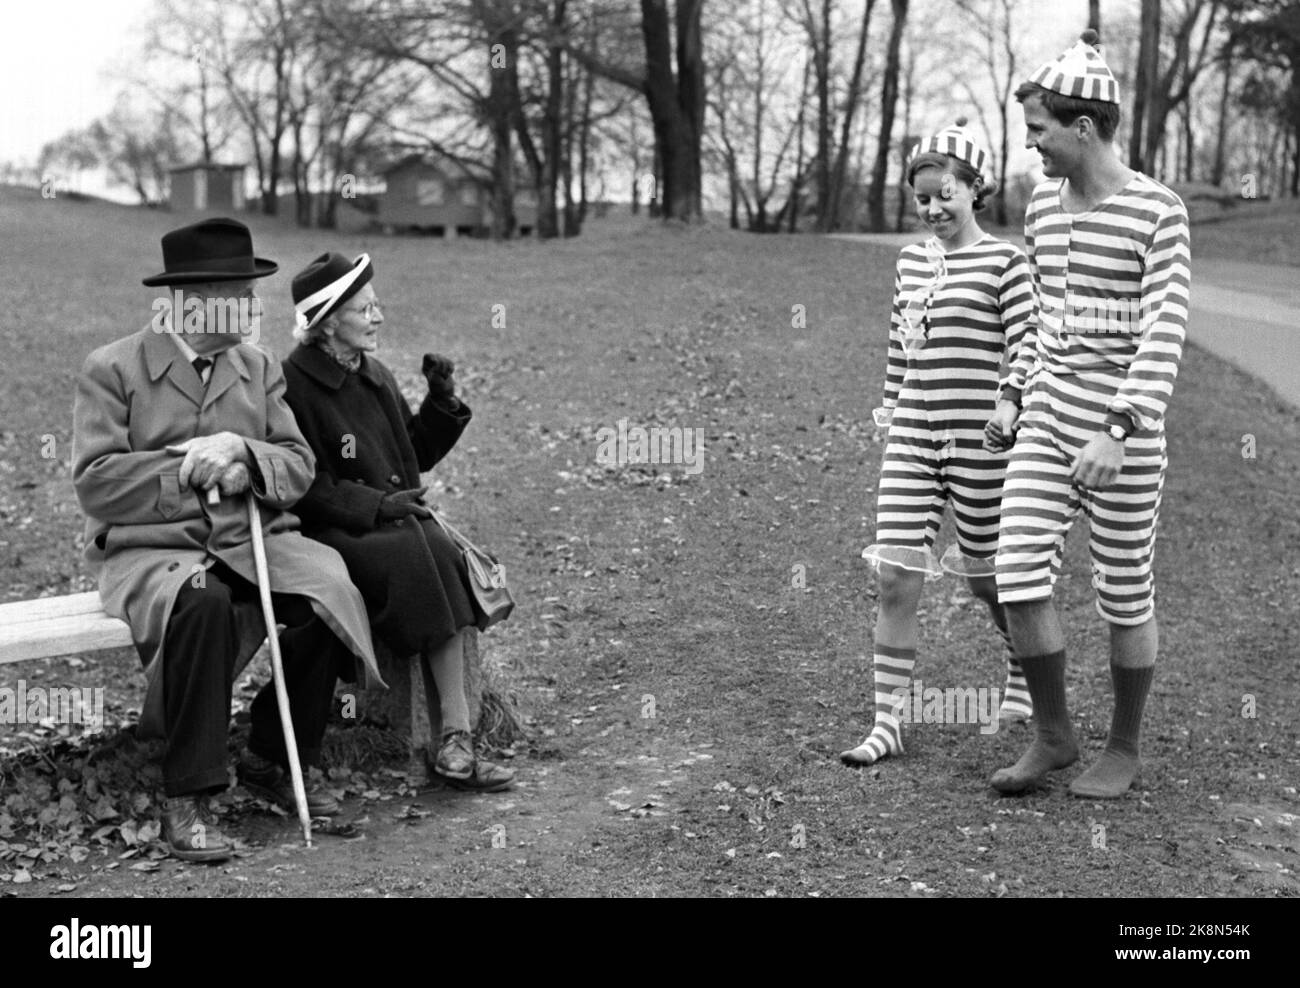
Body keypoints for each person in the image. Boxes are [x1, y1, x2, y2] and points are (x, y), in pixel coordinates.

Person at [72, 217, 384, 863]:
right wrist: (191, 468)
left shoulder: (259, 365)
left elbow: (298, 465)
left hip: (252, 538)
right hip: (154, 551)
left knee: (327, 592)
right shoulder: (112, 368)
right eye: (242, 291)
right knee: (204, 602)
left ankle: (275, 755)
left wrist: (244, 452)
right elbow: (98, 485)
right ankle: (189, 794)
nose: (254, 306)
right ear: (194, 300)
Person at [985, 30, 1190, 797]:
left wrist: (1119, 428)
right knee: (1017, 577)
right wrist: (1014, 391)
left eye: (1039, 130)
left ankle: (1124, 748)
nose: (1031, 143)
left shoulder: (1158, 212)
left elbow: (1163, 331)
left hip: (1121, 438)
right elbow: (1042, 319)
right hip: (1047, 419)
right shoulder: (1042, 207)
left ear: (1082, 128)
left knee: (1124, 590)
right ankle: (1053, 735)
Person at [840, 121, 1036, 767]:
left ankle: (1020, 672)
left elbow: (1028, 343)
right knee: (895, 574)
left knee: (988, 581)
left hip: (984, 443)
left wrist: (1009, 402)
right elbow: (901, 343)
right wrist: (892, 408)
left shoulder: (1006, 262)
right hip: (915, 436)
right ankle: (887, 723)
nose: (932, 209)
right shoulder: (911, 261)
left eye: (944, 193)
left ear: (976, 188)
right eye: (921, 198)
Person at [280, 251, 514, 792]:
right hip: (333, 530)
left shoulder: (374, 374)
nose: (379, 316)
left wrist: (442, 399)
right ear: (329, 320)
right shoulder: (294, 385)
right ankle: (452, 744)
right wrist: (376, 506)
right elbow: (306, 487)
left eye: (377, 305)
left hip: (392, 521)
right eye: (365, 309)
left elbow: (411, 452)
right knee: (419, 552)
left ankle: (456, 738)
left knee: (436, 548)